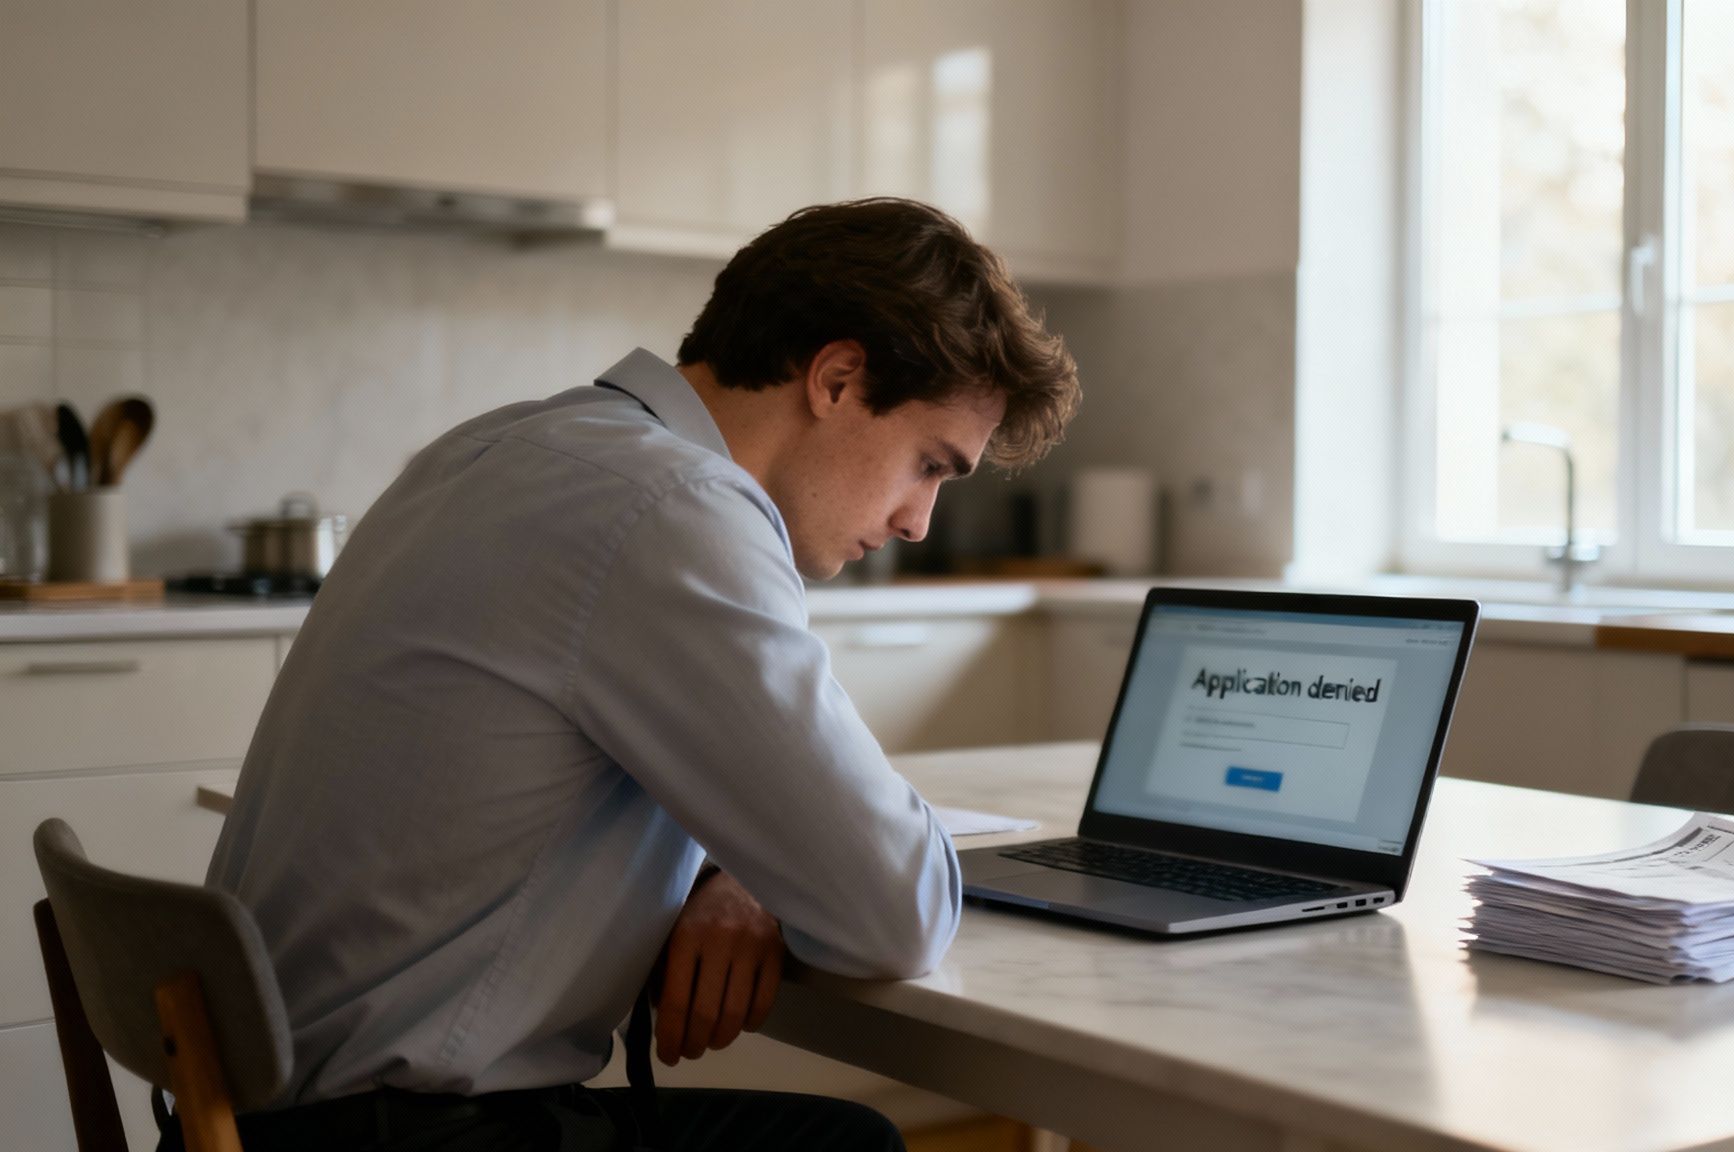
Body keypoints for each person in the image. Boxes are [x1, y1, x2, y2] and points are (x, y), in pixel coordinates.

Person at [195, 198, 1081, 1151]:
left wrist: (741, 868)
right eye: (928, 464)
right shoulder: (675, 510)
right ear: (836, 377)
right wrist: (786, 870)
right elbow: (895, 910)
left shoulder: (499, 446)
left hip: (275, 1111)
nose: (918, 521)